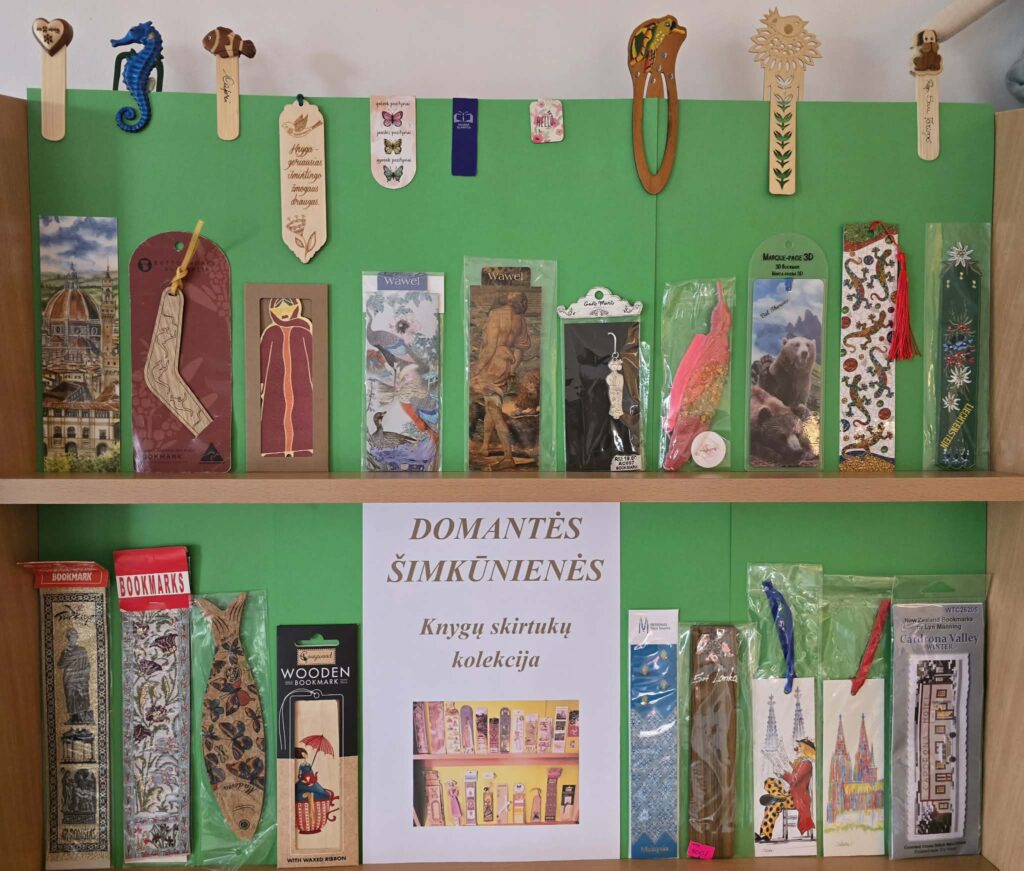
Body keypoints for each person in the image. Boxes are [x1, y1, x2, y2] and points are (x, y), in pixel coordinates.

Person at [470, 291, 532, 469]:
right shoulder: (520, 320)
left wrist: (477, 369)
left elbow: (490, 347)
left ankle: (508, 457)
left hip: (491, 366)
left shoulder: (496, 314)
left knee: (494, 412)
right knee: (492, 406)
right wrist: (512, 369)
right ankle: (485, 447)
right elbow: (520, 350)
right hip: (504, 366)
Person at [756, 737, 815, 842]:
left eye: (800, 746)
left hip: (797, 798)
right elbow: (791, 771)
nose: (797, 748)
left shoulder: (807, 764)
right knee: (769, 781)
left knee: (773, 805)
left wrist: (783, 774)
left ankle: (765, 835)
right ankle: (778, 796)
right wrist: (780, 766)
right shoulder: (800, 763)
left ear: (807, 750)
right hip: (789, 793)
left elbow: (794, 780)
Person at [58, 629, 93, 725]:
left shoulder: (82, 650)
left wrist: (85, 675)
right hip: (70, 679)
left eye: (74, 637)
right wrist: (66, 654)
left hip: (80, 679)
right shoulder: (66, 652)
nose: (72, 639)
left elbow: (87, 664)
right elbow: (60, 665)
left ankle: (83, 717)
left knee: (81, 697)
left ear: (77, 638)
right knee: (71, 698)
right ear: (68, 638)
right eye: (71, 637)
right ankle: (74, 718)